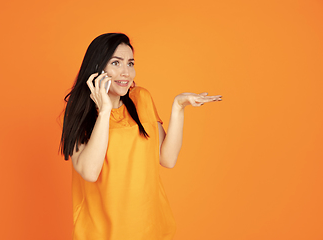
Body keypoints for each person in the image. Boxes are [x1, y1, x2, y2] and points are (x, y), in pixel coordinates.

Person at [60, 33, 222, 240]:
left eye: (130, 63)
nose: (126, 72)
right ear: (97, 67)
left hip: (150, 228)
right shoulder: (77, 112)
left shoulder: (141, 98)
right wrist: (104, 111)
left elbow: (167, 159)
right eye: (116, 63)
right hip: (103, 233)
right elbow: (90, 172)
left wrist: (178, 108)